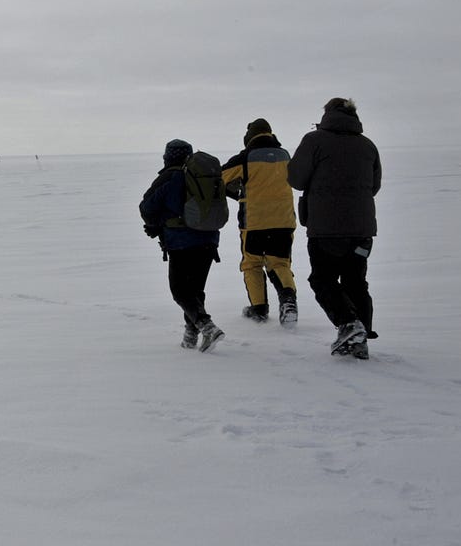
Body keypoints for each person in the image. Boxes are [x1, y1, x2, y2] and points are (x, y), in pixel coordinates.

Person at [288, 98, 382, 358]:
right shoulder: (368, 145)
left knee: (322, 279)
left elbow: (295, 178)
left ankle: (350, 325)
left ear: (327, 115)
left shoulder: (314, 141)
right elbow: (374, 186)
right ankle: (359, 337)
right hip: (362, 230)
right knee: (355, 282)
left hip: (325, 228)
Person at [140, 139, 225, 351]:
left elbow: (147, 208)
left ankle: (207, 327)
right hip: (208, 240)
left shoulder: (170, 177)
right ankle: (190, 335)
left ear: (168, 157)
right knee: (195, 290)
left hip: (181, 242)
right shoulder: (203, 176)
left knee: (180, 290)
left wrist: (156, 224)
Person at [221, 118, 299, 326]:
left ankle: (259, 309)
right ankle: (288, 301)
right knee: (280, 262)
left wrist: (235, 191)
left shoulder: (245, 157)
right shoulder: (285, 155)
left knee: (252, 263)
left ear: (249, 137)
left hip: (254, 221)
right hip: (284, 220)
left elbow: (220, 178)